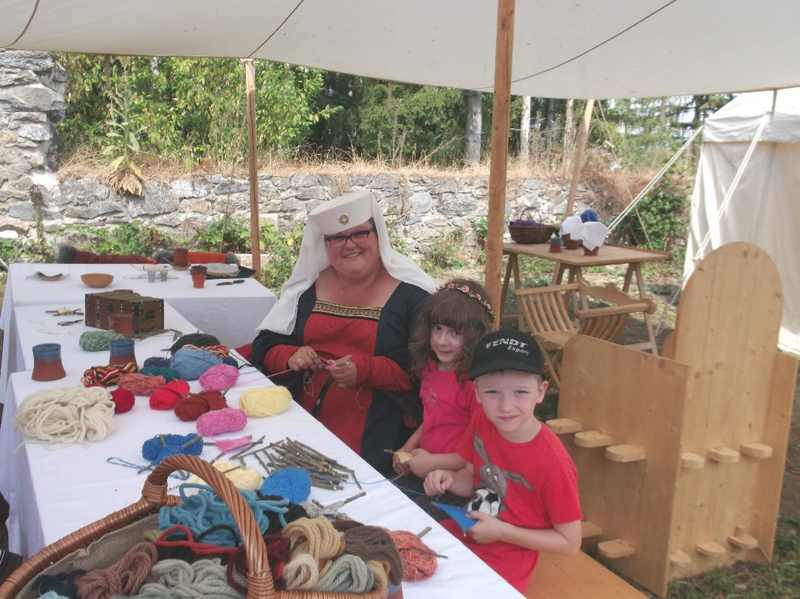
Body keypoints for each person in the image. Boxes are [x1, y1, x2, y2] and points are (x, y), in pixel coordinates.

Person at [250, 191, 437, 474]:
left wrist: (365, 369)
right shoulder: (306, 290)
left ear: (377, 235)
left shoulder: (412, 298)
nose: (349, 244)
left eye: (360, 233)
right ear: (325, 244)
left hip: (379, 431)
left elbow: (424, 373)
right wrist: (291, 356)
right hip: (299, 416)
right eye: (338, 237)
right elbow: (266, 345)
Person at [424, 329, 582, 593]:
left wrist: (502, 532)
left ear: (541, 391)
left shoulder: (553, 463)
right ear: (477, 393)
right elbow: (473, 478)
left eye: (520, 392)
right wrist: (448, 478)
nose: (506, 406)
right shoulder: (483, 421)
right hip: (468, 529)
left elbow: (570, 542)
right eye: (492, 392)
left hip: (509, 558)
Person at [392, 278, 492, 479]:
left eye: (455, 333)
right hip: (426, 467)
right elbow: (433, 418)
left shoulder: (475, 385)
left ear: (475, 336)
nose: (441, 341)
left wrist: (432, 463)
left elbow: (478, 447)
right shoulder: (430, 368)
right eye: (437, 329)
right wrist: (408, 447)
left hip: (456, 478)